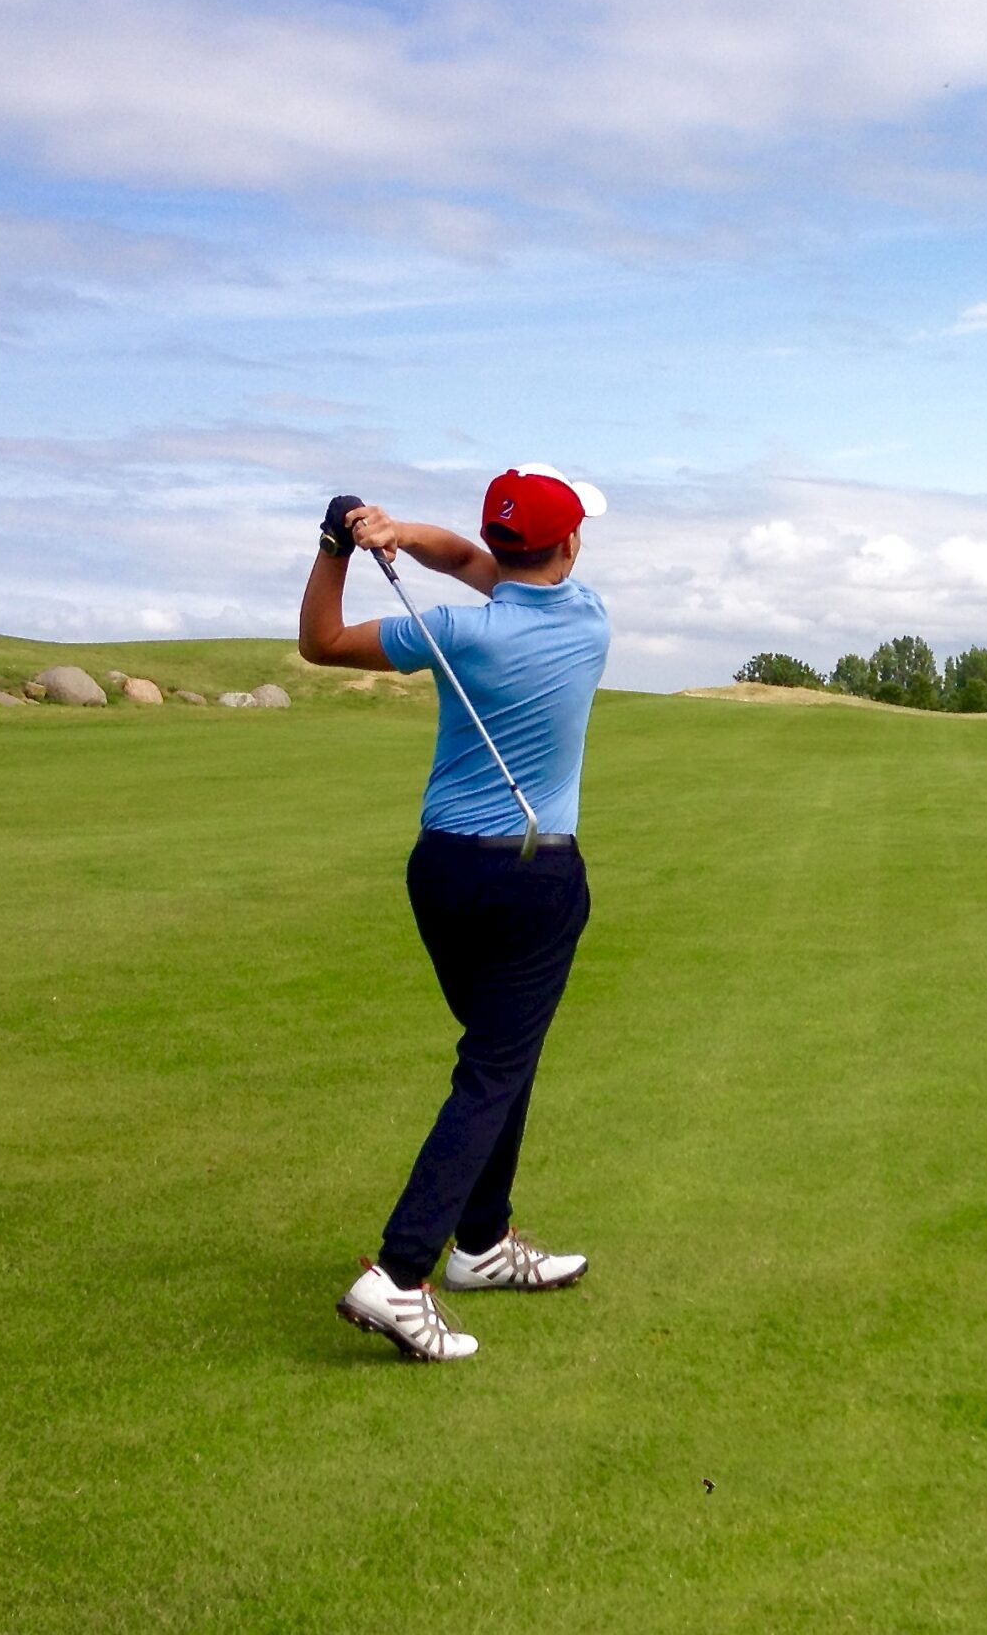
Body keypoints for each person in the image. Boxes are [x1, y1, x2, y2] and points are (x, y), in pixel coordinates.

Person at [297, 465, 612, 1362]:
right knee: (492, 1072)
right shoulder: (587, 620)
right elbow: (479, 560)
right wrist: (404, 537)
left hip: (439, 873)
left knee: (498, 1061)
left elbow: (321, 641)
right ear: (568, 546)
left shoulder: (453, 634)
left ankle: (480, 1245)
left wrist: (343, 548)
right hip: (534, 877)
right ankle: (399, 1275)